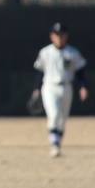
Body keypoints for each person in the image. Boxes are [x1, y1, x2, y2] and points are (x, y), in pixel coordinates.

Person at [32, 22, 88, 157]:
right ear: (51, 36)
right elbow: (40, 72)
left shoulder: (72, 52)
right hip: (49, 87)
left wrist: (83, 86)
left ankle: (57, 143)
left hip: (66, 86)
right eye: (56, 34)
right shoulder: (45, 52)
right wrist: (36, 88)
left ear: (66, 36)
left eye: (62, 34)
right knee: (54, 115)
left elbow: (80, 72)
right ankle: (54, 144)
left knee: (62, 120)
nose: (59, 37)